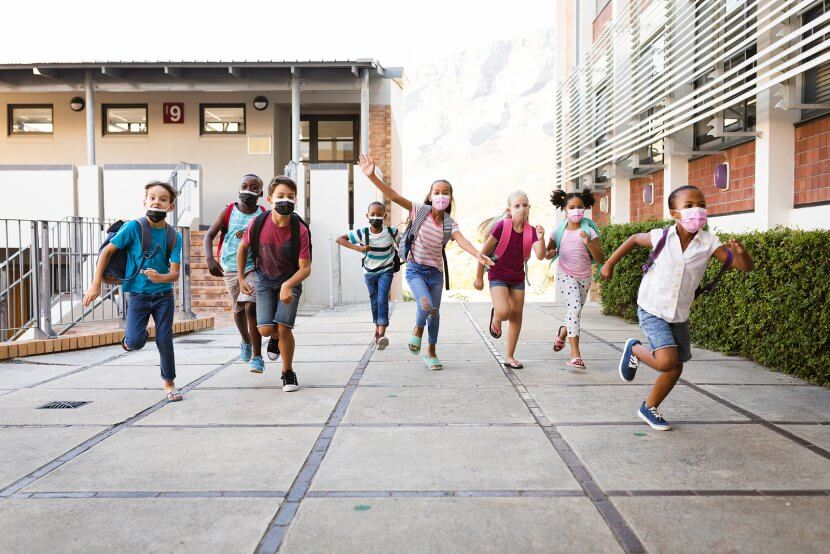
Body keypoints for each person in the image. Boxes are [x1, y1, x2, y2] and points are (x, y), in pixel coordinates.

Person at [602, 185, 754, 430]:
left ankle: (649, 407)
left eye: (701, 204)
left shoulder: (709, 243)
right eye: (689, 206)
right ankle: (635, 349)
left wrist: (742, 253)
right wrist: (609, 263)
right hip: (652, 307)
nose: (697, 210)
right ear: (675, 214)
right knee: (665, 362)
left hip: (679, 313)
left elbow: (743, 266)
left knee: (676, 365)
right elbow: (632, 239)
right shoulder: (661, 236)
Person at [358, 153, 493, 370]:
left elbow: (461, 241)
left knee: (435, 313)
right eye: (437, 192)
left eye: (445, 193)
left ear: (450, 198)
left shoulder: (450, 223)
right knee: (426, 304)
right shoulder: (419, 210)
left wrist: (478, 254)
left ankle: (431, 351)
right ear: (430, 196)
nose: (441, 196)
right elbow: (393, 196)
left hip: (436, 273)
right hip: (415, 269)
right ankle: (417, 330)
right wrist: (372, 177)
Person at [83, 180, 183, 401]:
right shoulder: (133, 228)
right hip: (137, 295)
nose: (157, 202)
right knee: (136, 342)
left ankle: (169, 383)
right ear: (145, 201)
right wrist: (95, 284)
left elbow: (175, 273)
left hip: (163, 296)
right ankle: (133, 338)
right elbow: (107, 252)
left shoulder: (174, 236)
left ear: (170, 207)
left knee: (164, 339)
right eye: (153, 198)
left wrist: (161, 277)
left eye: (163, 199)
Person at [237, 176, 311, 392]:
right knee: (266, 329)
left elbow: (305, 268)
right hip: (265, 281)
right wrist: (241, 278)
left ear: (296, 200)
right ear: (270, 199)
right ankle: (275, 337)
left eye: (290, 197)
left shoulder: (300, 230)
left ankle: (288, 373)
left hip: (290, 281)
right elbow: (243, 248)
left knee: (285, 328)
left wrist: (288, 285)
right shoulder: (259, 223)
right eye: (280, 196)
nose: (285, 200)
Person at [202, 174, 267, 372]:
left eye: (253, 187)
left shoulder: (262, 214)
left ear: (261, 193)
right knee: (238, 310)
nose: (248, 189)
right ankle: (245, 340)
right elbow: (209, 236)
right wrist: (210, 259)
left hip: (253, 267)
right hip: (229, 267)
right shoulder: (229, 210)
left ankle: (257, 356)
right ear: (239, 190)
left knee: (250, 307)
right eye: (244, 186)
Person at [474, 191, 546, 369]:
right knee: (504, 311)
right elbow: (483, 251)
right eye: (517, 206)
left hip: (517, 278)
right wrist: (478, 277)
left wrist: (542, 239)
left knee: (516, 315)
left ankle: (510, 355)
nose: (522, 209)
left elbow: (540, 255)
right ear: (509, 209)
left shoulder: (531, 231)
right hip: (497, 274)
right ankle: (497, 318)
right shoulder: (502, 227)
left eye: (525, 205)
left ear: (529, 207)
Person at [547, 189, 604, 370]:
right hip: (565, 273)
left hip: (584, 275)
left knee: (576, 311)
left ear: (585, 208)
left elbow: (601, 259)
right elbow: (549, 253)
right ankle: (575, 355)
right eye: (572, 207)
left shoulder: (589, 231)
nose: (576, 211)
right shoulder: (558, 230)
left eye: (580, 207)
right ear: (564, 209)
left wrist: (588, 243)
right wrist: (549, 252)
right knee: (574, 308)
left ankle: (563, 332)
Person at [335, 201, 399, 349]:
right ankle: (378, 331)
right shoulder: (362, 233)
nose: (376, 217)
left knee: (382, 297)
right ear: (367, 216)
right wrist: (358, 248)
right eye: (373, 214)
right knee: (374, 300)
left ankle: (382, 333)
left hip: (386, 270)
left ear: (385, 215)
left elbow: (404, 244)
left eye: (379, 214)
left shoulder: (392, 232)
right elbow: (340, 239)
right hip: (369, 272)